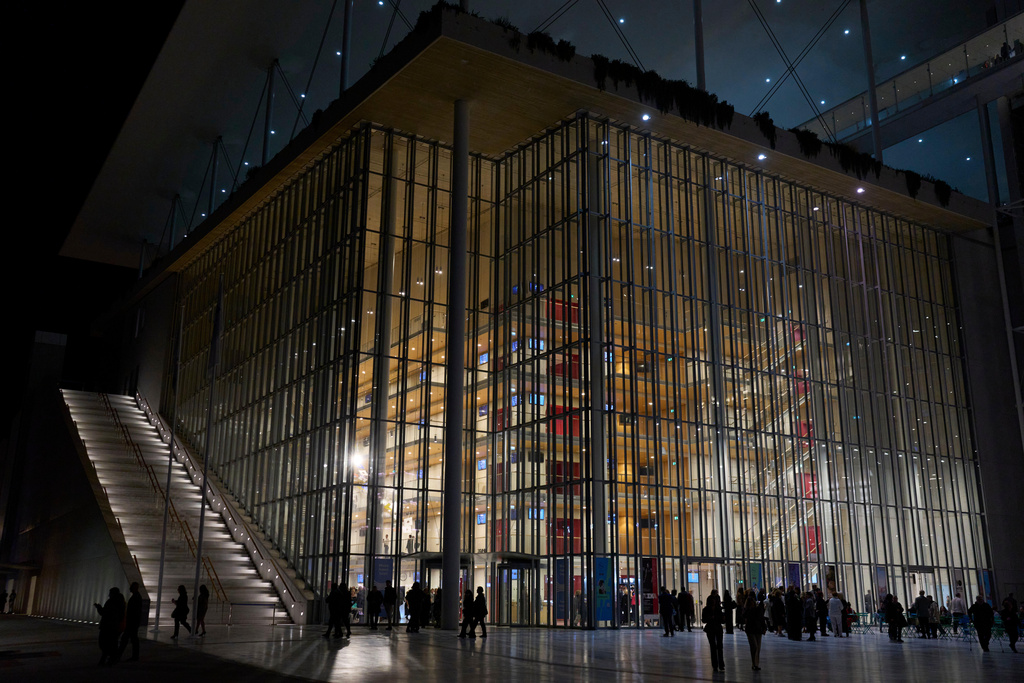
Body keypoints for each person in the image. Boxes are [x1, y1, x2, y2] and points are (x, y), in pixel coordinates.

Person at [93, 586, 126, 665]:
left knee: (104, 643)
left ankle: (108, 659)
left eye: (110, 593)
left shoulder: (111, 602)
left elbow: (104, 613)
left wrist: (99, 608)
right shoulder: (121, 602)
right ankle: (110, 659)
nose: (109, 595)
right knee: (111, 643)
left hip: (107, 626)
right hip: (115, 626)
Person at [118, 582, 142, 662]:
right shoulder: (137, 597)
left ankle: (119, 655)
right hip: (133, 622)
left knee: (126, 639)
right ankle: (134, 656)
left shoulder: (136, 597)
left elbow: (134, 611)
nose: (130, 588)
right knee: (132, 639)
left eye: (131, 587)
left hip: (132, 622)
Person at [702, 590, 725, 672]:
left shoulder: (709, 610)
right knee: (715, 646)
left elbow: (704, 620)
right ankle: (718, 664)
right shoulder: (714, 610)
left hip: (714, 628)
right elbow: (704, 620)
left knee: (717, 646)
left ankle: (718, 664)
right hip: (714, 628)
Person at [743, 591, 766, 671]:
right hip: (752, 629)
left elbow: (761, 619)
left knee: (757, 647)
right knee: (755, 646)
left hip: (756, 629)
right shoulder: (748, 610)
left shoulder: (757, 609)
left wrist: (764, 627)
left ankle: (755, 663)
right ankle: (754, 663)